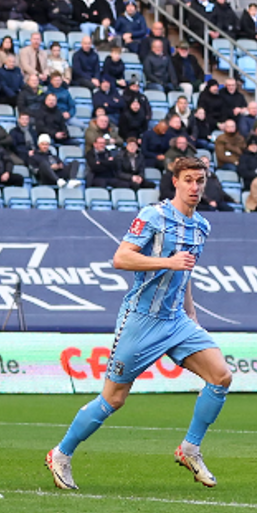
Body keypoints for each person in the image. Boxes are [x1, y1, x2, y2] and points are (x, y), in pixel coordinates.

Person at [48, 157, 229, 490]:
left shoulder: (202, 226)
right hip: (141, 320)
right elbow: (121, 258)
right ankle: (61, 453)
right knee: (113, 400)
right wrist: (168, 261)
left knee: (221, 376)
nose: (194, 187)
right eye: (188, 179)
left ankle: (190, 448)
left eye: (200, 180)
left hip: (176, 320)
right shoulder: (154, 216)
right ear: (174, 181)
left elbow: (184, 272)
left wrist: (192, 316)